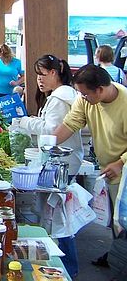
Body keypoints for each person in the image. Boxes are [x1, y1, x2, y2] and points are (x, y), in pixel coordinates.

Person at [12, 54, 82, 277]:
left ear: (54, 73)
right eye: (37, 76)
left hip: (60, 165)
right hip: (62, 163)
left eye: (42, 75)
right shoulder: (61, 95)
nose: (39, 80)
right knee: (58, 215)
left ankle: (68, 268)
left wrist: (25, 122)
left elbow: (51, 132)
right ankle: (63, 265)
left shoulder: (60, 99)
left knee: (59, 217)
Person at [52, 64, 127, 269]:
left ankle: (120, 264)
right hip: (107, 170)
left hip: (123, 170)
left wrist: (120, 163)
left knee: (123, 220)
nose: (82, 98)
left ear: (100, 89)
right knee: (113, 220)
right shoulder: (85, 100)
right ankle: (116, 256)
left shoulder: (124, 102)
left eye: (85, 94)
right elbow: (71, 123)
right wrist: (47, 145)